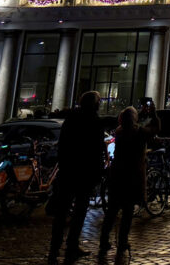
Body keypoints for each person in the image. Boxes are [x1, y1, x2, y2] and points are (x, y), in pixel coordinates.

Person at [49, 91, 104, 265]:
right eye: (99, 102)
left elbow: (63, 146)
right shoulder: (94, 121)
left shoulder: (71, 120)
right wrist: (97, 172)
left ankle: (55, 248)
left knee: (62, 213)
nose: (100, 104)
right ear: (94, 104)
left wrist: (64, 166)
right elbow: (96, 151)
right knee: (78, 212)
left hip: (68, 172)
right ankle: (71, 245)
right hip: (84, 174)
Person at [99, 107, 151, 264]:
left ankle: (104, 239)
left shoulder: (119, 131)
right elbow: (154, 130)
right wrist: (152, 114)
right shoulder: (138, 132)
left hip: (118, 175)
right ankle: (122, 241)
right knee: (127, 212)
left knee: (112, 210)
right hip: (132, 176)